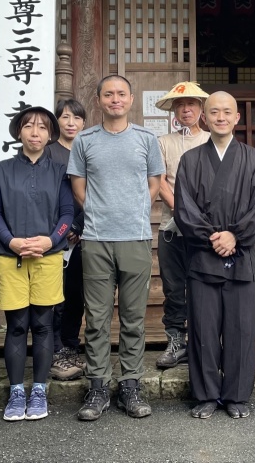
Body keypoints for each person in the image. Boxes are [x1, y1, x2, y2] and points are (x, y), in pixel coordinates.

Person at [68, 75, 165, 421]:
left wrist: (135, 208)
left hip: (135, 237)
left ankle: (130, 384)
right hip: (95, 238)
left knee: (133, 318)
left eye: (121, 94)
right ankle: (97, 386)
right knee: (95, 318)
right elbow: (78, 186)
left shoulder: (145, 138)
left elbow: (156, 182)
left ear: (131, 98)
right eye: (108, 94)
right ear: (98, 100)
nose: (115, 99)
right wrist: (98, 211)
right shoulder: (85, 140)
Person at [174, 91, 255, 419]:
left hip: (240, 256)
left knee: (241, 329)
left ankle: (237, 395)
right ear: (205, 116)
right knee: (202, 329)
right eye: (214, 112)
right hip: (203, 257)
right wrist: (214, 238)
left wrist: (235, 236)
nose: (220, 117)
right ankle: (206, 395)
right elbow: (184, 210)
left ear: (237, 117)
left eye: (227, 111)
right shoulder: (190, 160)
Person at [0, 106, 75, 422]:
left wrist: (51, 240)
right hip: (11, 257)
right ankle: (15, 392)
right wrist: (11, 241)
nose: (35, 132)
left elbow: (67, 214)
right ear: (18, 132)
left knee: (42, 324)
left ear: (50, 135)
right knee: (17, 325)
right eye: (29, 126)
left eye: (42, 127)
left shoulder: (60, 172)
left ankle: (39, 389)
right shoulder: (1, 170)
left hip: (48, 258)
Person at [154, 81, 211, 369]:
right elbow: (159, 181)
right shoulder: (163, 142)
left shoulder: (214, 140)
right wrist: (183, 212)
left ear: (202, 109)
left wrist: (200, 218)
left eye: (191, 104)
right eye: (180, 105)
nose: (185, 109)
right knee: (174, 288)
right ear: (174, 111)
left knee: (205, 285)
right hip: (171, 227)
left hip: (207, 228)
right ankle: (176, 341)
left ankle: (205, 342)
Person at [46, 98, 88, 381]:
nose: (71, 123)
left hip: (85, 233)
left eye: (76, 118)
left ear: (84, 122)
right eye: (65, 117)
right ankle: (54, 347)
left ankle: (71, 343)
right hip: (55, 235)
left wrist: (80, 225)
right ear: (57, 122)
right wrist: (63, 228)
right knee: (54, 296)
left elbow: (96, 191)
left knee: (77, 294)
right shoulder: (49, 153)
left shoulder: (89, 149)